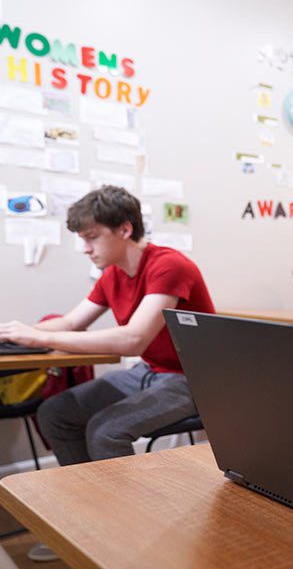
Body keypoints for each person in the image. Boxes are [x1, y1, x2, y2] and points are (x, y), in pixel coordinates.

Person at [0, 185, 215, 465]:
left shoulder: (169, 265)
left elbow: (133, 339)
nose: (85, 249)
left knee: (106, 432)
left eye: (92, 237)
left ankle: (120, 508)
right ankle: (87, 496)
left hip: (195, 380)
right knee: (54, 413)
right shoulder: (112, 274)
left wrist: (39, 339)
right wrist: (17, 333)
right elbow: (71, 322)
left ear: (125, 230)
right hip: (150, 371)